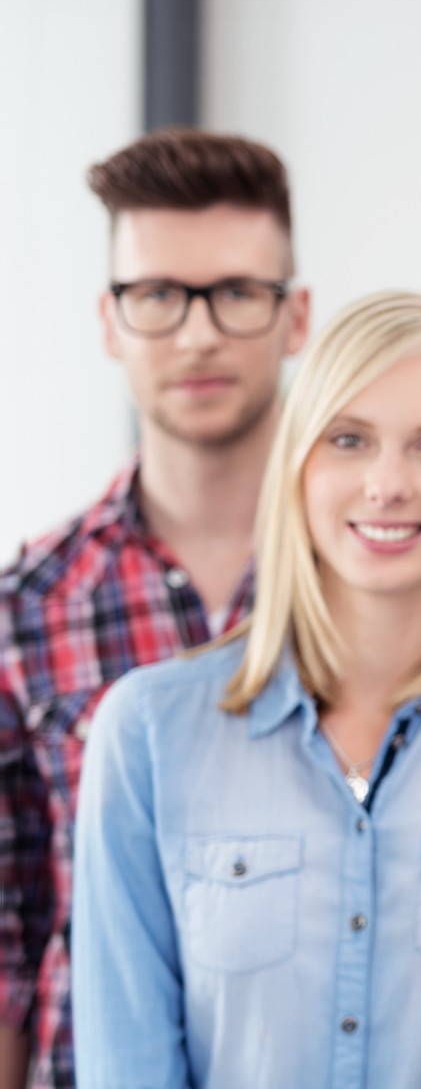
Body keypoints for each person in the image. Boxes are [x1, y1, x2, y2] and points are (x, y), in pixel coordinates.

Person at [71, 292, 421, 1089]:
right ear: (297, 466)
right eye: (349, 440)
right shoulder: (148, 731)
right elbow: (124, 1060)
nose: (387, 484)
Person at [0, 128, 311, 1089]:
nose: (199, 332)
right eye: (158, 296)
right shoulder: (29, 608)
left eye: (236, 294)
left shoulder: (385, 581)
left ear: (294, 317)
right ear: (109, 320)